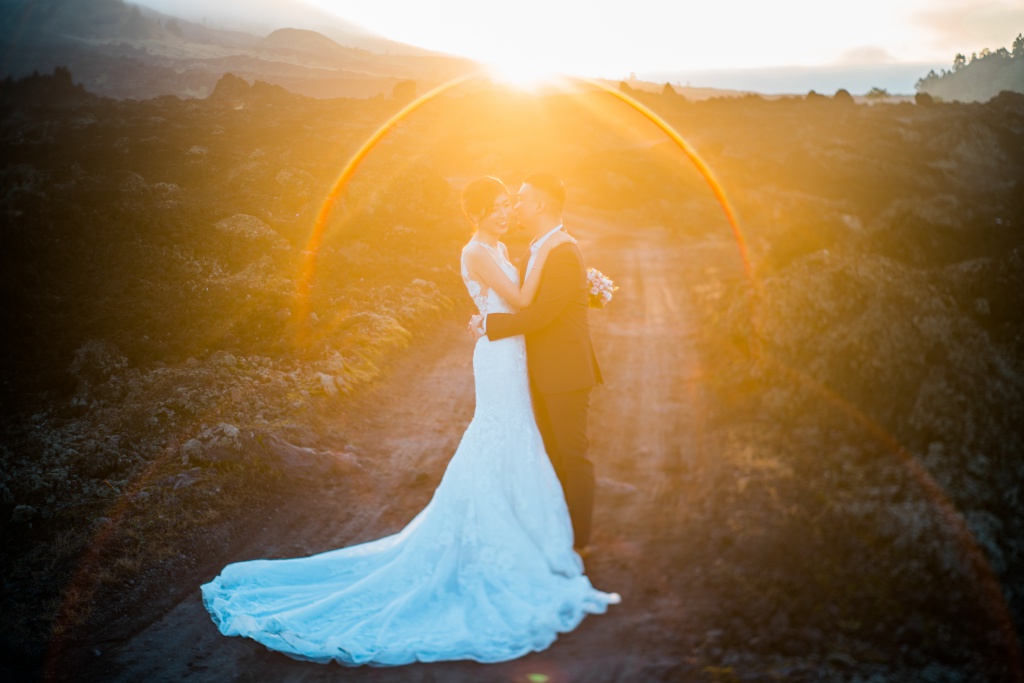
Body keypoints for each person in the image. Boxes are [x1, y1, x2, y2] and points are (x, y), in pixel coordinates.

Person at [200, 176, 619, 667]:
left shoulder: (512, 246)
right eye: (500, 206)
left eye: (512, 204)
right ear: (479, 212)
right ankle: (500, 539)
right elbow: (526, 302)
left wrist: (565, 269)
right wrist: (549, 258)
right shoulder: (483, 252)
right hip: (501, 357)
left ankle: (531, 533)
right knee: (500, 437)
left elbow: (534, 300)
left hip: (515, 354)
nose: (508, 213)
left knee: (524, 442)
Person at [470, 172, 602, 555]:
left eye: (522, 198)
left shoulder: (562, 251)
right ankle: (557, 531)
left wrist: (488, 324)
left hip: (565, 371)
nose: (516, 204)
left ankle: (580, 543)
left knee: (572, 455)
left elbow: (540, 315)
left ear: (541, 204)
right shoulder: (538, 247)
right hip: (541, 370)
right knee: (552, 454)